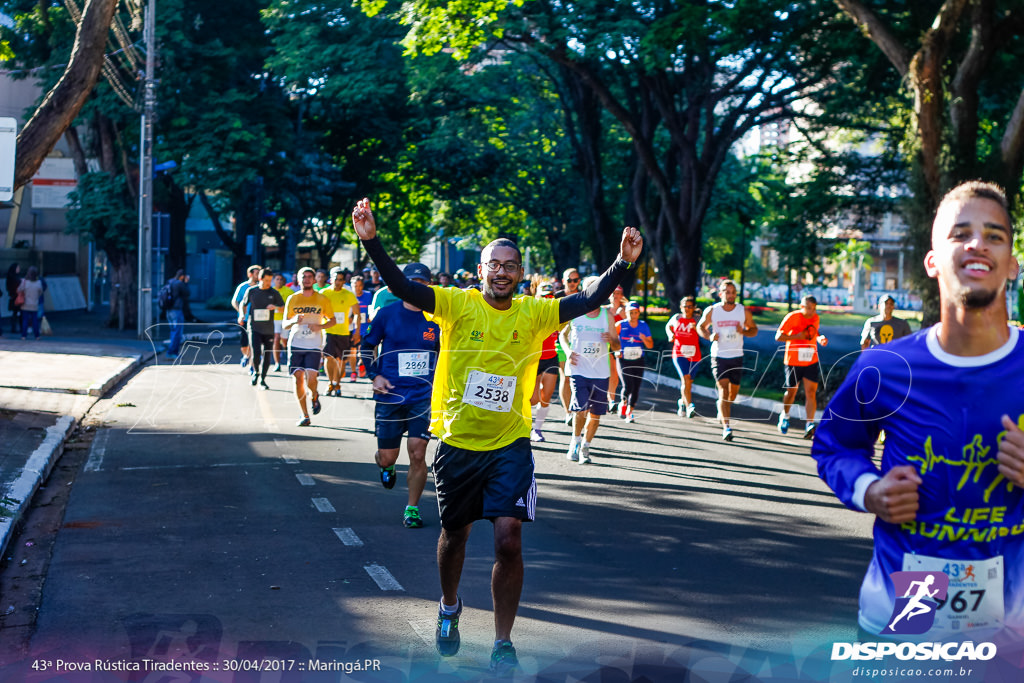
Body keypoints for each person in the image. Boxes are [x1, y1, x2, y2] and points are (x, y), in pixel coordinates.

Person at [351, 197, 642, 675]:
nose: (502, 273)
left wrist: (622, 263)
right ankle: (449, 606)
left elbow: (588, 300)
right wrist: (371, 242)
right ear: (481, 269)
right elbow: (401, 284)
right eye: (495, 265)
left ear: (521, 272)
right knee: (454, 534)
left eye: (511, 266)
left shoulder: (534, 313)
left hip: (510, 446)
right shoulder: (454, 305)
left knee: (509, 541)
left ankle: (503, 640)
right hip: (458, 444)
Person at [813, 180, 1024, 642]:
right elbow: (833, 446)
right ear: (932, 261)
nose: (976, 244)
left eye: (994, 235)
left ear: (1011, 263)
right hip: (902, 618)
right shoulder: (886, 368)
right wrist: (870, 491)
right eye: (960, 233)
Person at [361, 262, 441, 529]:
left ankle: (412, 508)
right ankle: (386, 467)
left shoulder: (437, 318)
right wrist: (375, 375)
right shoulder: (386, 314)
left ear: (429, 286)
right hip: (390, 394)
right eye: (412, 283)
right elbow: (366, 346)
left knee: (418, 453)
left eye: (422, 283)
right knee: (388, 456)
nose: (417, 288)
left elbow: (447, 354)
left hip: (422, 396)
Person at [561, 276, 620, 462]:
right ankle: (575, 442)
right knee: (580, 409)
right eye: (589, 289)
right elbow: (562, 336)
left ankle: (586, 446)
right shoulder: (575, 312)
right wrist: (568, 351)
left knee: (595, 414)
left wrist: (611, 340)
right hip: (579, 369)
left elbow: (618, 346)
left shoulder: (607, 315)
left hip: (600, 372)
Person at [697, 279, 758, 441]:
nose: (730, 295)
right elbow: (700, 326)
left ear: (735, 294)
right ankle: (727, 427)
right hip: (719, 356)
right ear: (720, 293)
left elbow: (754, 330)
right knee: (723, 390)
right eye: (727, 292)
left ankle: (722, 408)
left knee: (733, 394)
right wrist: (709, 336)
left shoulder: (742, 311)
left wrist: (743, 331)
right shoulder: (713, 310)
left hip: (737, 356)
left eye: (733, 292)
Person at [282, 267, 336, 426]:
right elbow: (285, 323)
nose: (306, 279)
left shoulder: (322, 299)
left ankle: (314, 395)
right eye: (303, 277)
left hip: (314, 344)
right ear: (298, 280)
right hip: (296, 343)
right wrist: (294, 321)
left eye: (309, 277)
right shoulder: (292, 298)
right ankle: (304, 415)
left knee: (312, 378)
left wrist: (320, 327)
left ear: (314, 280)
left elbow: (332, 320)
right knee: (298, 377)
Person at [774, 295, 829, 439]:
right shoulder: (793, 317)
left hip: (811, 358)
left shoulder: (815, 318)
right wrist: (797, 336)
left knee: (811, 392)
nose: (811, 311)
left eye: (814, 308)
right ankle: (785, 415)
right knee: (792, 392)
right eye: (808, 308)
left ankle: (809, 424)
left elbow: (813, 332)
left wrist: (819, 338)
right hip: (793, 360)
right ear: (802, 306)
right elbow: (778, 336)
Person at [239, 268, 285, 389]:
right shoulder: (252, 291)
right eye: (266, 280)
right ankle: (256, 373)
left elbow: (284, 308)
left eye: (270, 280)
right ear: (260, 279)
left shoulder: (274, 293)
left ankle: (263, 379)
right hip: (254, 327)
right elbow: (242, 304)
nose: (268, 283)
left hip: (269, 329)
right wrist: (242, 315)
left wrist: (274, 307)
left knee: (267, 354)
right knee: (256, 352)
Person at [320, 267, 362, 397]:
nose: (337, 282)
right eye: (335, 279)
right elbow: (318, 311)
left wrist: (357, 331)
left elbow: (357, 314)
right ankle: (330, 382)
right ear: (330, 279)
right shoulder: (324, 293)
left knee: (342, 360)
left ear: (344, 281)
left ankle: (337, 383)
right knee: (328, 358)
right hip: (328, 330)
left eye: (340, 280)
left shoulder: (348, 294)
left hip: (344, 332)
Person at [529, 282, 560, 442]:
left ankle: (537, 430)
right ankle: (524, 426)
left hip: (550, 358)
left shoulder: (556, 313)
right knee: (533, 399)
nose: (547, 299)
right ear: (537, 297)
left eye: (550, 296)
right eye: (543, 296)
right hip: (534, 358)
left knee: (546, 396)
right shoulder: (531, 313)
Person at [615, 301, 654, 422]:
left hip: (638, 359)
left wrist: (643, 339)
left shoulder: (643, 325)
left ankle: (629, 411)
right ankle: (623, 402)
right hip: (624, 359)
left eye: (635, 312)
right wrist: (616, 350)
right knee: (628, 385)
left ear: (638, 313)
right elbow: (612, 339)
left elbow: (650, 345)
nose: (633, 315)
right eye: (630, 312)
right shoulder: (620, 325)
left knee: (636, 387)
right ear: (626, 313)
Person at [665, 296, 702, 418]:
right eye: (685, 306)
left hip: (694, 355)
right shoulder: (676, 318)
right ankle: (689, 405)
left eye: (690, 306)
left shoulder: (697, 319)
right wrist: (671, 334)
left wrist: (696, 328)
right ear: (681, 307)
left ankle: (682, 401)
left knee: (689, 382)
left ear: (693, 308)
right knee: (685, 379)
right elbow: (668, 326)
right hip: (679, 353)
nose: (687, 309)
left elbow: (705, 331)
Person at [557, 267, 582, 423]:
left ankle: (579, 408)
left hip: (580, 340)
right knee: (565, 377)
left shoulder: (583, 297)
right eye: (569, 280)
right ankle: (568, 412)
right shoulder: (557, 297)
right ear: (563, 281)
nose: (572, 283)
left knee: (579, 377)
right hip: (562, 339)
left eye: (575, 280)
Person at [231, 265, 261, 374]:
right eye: (256, 273)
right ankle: (246, 355)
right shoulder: (243, 287)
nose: (258, 275)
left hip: (257, 320)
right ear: (250, 274)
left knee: (254, 342)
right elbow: (235, 301)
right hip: (244, 319)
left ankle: (252, 366)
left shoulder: (261, 287)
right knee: (244, 343)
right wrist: (241, 313)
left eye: (259, 273)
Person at [346, 275, 373, 381]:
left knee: (362, 350)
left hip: (365, 327)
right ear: (351, 285)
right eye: (355, 286)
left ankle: (361, 363)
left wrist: (370, 317)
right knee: (352, 351)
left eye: (359, 286)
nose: (357, 288)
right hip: (352, 327)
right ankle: (353, 372)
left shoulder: (368, 295)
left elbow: (371, 308)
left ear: (363, 286)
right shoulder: (348, 296)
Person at [607, 285, 628, 409]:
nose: (615, 296)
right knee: (611, 373)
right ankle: (611, 400)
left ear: (621, 296)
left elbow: (632, 325)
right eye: (613, 293)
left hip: (621, 345)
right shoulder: (604, 310)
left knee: (616, 374)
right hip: (606, 344)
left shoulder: (625, 310)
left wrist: (624, 315)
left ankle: (612, 400)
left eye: (618, 293)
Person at [272, 273, 294, 371]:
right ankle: (277, 363)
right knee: (276, 339)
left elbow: (289, 308)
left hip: (285, 319)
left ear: (284, 281)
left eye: (281, 279)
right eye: (277, 279)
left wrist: (278, 308)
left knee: (284, 341)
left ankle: (289, 359)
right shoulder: (270, 291)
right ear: (274, 280)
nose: (279, 281)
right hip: (274, 319)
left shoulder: (289, 291)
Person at [165, 270, 190, 359]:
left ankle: (172, 351)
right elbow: (187, 293)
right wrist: (186, 283)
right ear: (182, 276)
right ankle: (172, 352)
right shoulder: (179, 283)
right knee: (177, 333)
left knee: (173, 331)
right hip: (176, 310)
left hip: (169, 310)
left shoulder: (170, 282)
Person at [16, 266, 45, 340]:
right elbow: (40, 292)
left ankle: (24, 335)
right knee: (35, 320)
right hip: (34, 304)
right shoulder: (38, 283)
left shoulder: (24, 282)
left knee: (25, 320)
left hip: (25, 304)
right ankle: (37, 336)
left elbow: (19, 290)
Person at [6, 263, 22, 334]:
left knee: (15, 313)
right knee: (18, 313)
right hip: (16, 297)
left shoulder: (12, 276)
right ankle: (19, 328)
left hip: (14, 297)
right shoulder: (14, 277)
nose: (19, 269)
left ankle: (15, 328)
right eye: (18, 268)